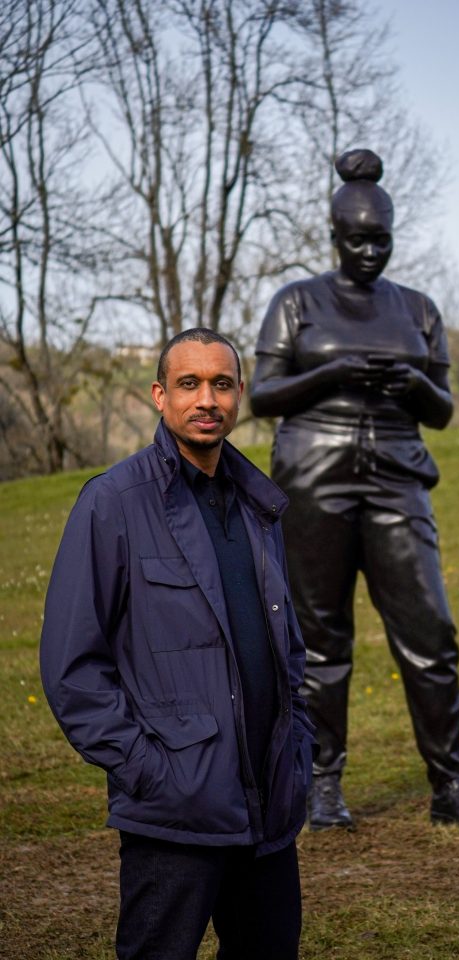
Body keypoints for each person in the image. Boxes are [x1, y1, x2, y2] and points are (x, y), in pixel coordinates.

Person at [40, 329, 315, 960]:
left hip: (267, 808)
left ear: (238, 393)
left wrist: (298, 745)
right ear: (160, 395)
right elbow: (71, 667)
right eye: (189, 384)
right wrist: (150, 773)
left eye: (221, 383)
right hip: (175, 812)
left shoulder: (257, 503)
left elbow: (288, 646)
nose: (207, 399)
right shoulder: (112, 502)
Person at [250, 148, 459, 834]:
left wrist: (415, 387)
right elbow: (263, 396)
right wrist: (329, 377)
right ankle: (322, 785)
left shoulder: (418, 309)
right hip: (313, 480)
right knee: (320, 639)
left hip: (397, 479)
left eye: (380, 239)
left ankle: (450, 783)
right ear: (334, 237)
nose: (368, 251)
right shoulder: (295, 302)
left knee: (430, 631)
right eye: (356, 239)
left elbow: (442, 409)